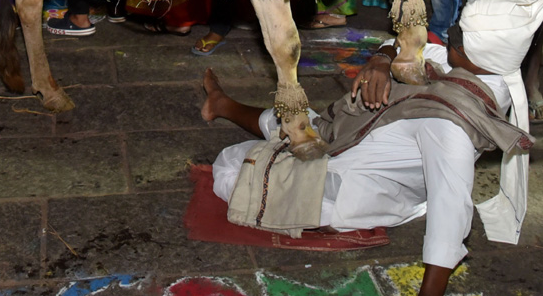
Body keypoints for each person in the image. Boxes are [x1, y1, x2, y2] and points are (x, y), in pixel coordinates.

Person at [205, 34, 525, 296]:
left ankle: (303, 195)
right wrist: (381, 60)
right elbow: (400, 39)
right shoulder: (475, 70)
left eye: (459, 39)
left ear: (477, 59)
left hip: (352, 185)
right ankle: (222, 105)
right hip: (352, 139)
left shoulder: (451, 125)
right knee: (295, 122)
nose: (451, 37)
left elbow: (452, 212)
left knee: (230, 166)